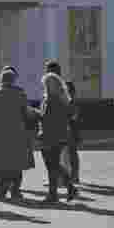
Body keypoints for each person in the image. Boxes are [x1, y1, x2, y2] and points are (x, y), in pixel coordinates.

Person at [0, 67, 34, 201]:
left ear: (1, 80)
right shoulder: (20, 94)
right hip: (17, 134)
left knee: (0, 164)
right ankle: (15, 191)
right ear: (13, 80)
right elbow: (26, 113)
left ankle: (1, 191)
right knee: (16, 164)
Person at [38, 70, 72, 203]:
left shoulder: (53, 99)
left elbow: (48, 118)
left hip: (51, 135)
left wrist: (37, 115)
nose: (45, 87)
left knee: (51, 165)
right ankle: (69, 188)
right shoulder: (61, 98)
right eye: (45, 85)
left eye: (47, 84)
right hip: (58, 135)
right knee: (54, 164)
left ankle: (53, 194)